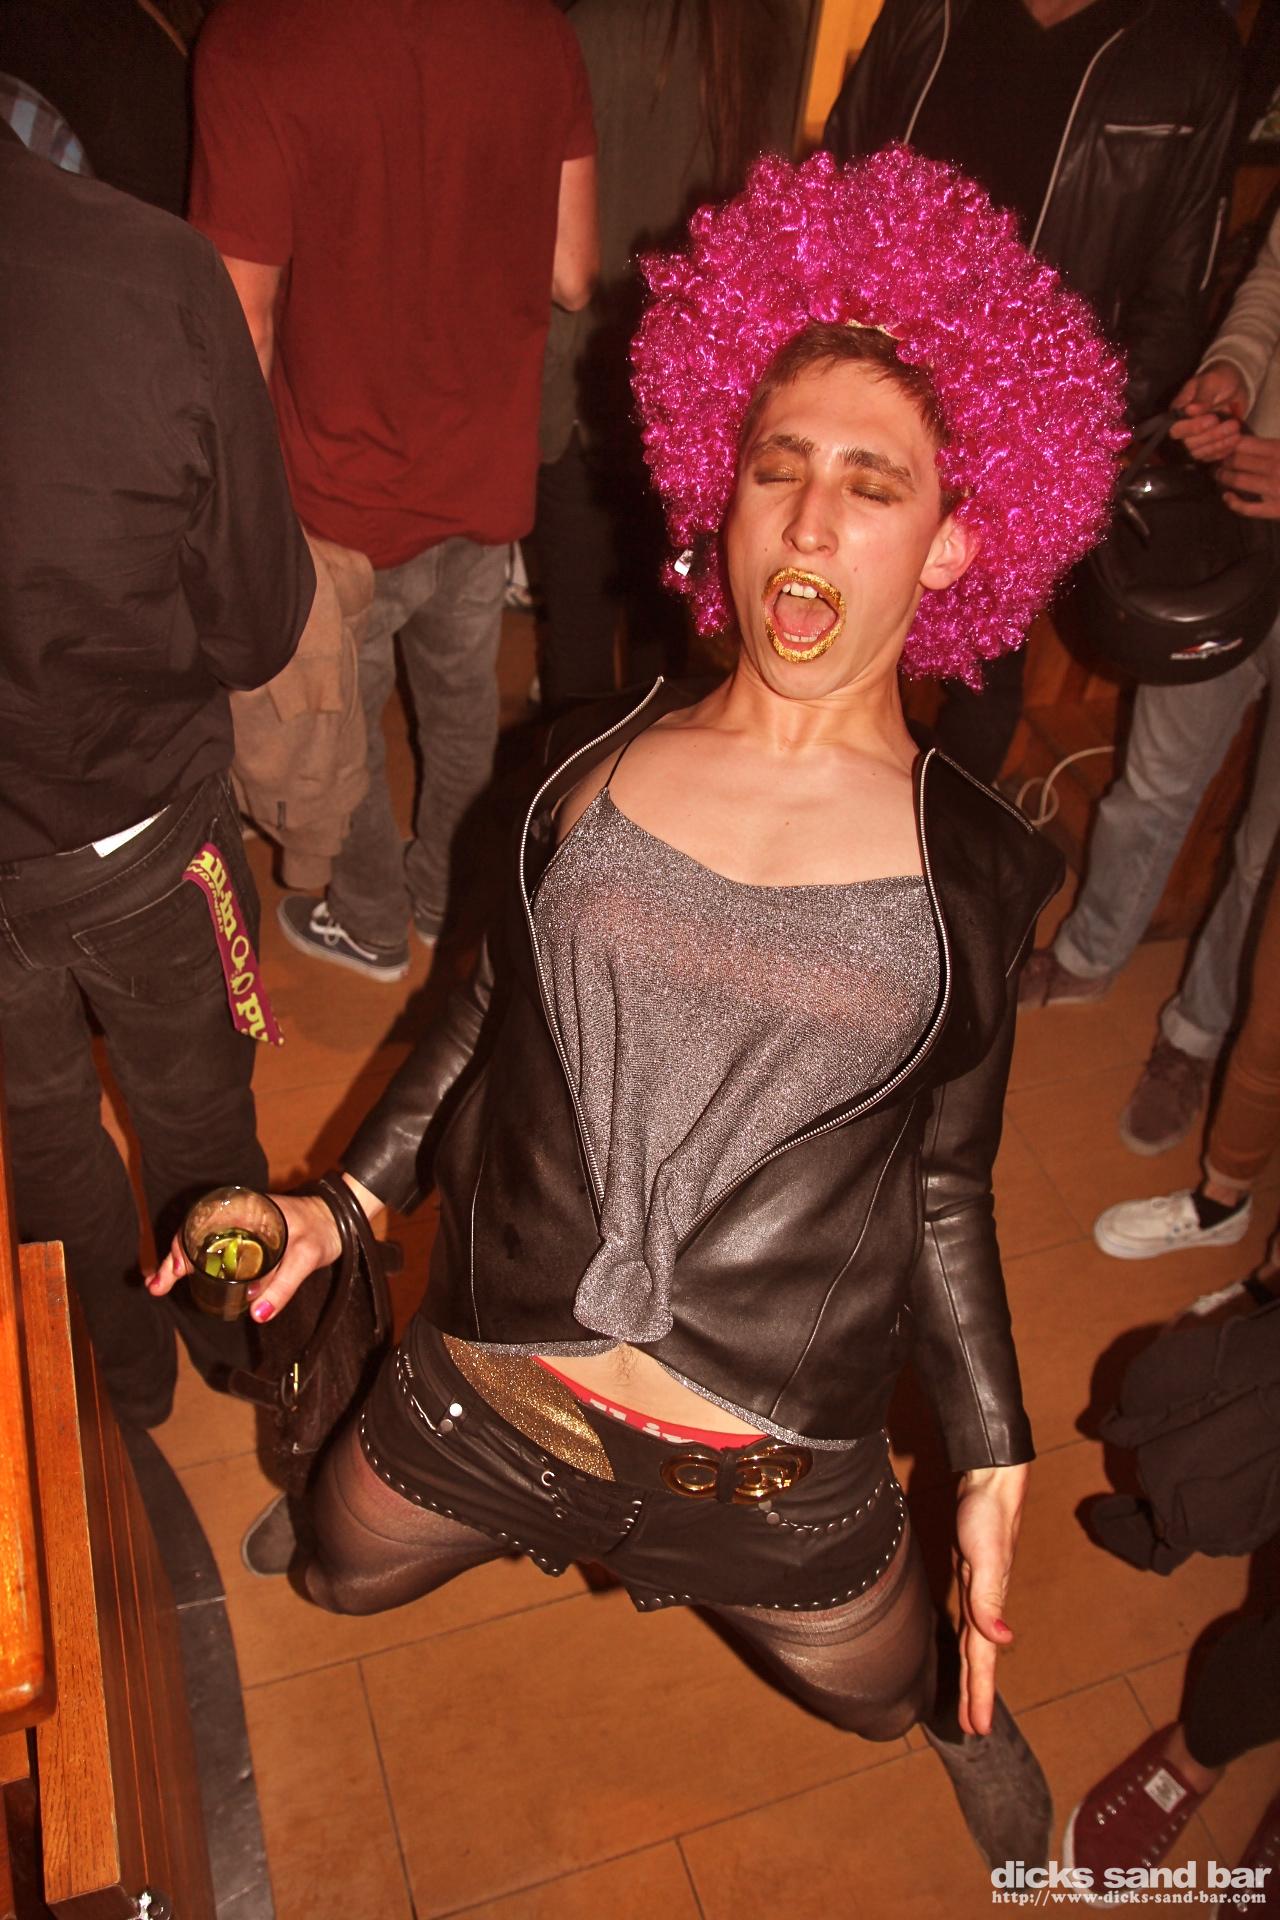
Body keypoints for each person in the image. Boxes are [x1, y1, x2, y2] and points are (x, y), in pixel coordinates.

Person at [150, 147, 1125, 1866]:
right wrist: (342, 1202)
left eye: (873, 485)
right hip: (488, 1396)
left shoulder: (980, 870)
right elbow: (474, 1023)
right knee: (337, 1569)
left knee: (879, 1694)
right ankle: (459, 1516)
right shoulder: (578, 766)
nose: (810, 523)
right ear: (717, 497)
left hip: (777, 1481)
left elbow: (944, 1184)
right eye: (778, 468)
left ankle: (938, 1706)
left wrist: (988, 1453)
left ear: (957, 541)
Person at [0, 126, 314, 1426]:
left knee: (40, 1136)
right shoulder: (147, 271)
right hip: (137, 831)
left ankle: (116, 1393)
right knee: (195, 1121)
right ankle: (244, 1359)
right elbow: (258, 624)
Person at [187, 0, 599, 984]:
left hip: (336, 496)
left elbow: (239, 321)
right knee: (462, 703)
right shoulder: (538, 32)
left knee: (346, 726)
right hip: (484, 465)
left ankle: (368, 917)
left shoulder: (259, 39)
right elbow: (574, 273)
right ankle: (443, 900)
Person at [823, 0, 1241, 786]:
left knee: (983, 668)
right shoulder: (931, 9)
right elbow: (836, 180)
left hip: (1023, 434)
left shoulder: (1189, 44)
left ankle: (936, 843)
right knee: (838, 620)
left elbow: (1176, 287)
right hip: (872, 390)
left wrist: (1069, 444)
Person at [1022, 205, 1280, 1157]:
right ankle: (1089, 956)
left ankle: (1199, 1035)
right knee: (1153, 784)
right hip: (1231, 525)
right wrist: (1234, 372)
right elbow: (1271, 286)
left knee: (1266, 854)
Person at [534, 0, 805, 711]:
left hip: (587, 386)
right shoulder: (765, 32)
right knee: (664, 631)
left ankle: (586, 783)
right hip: (702, 396)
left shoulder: (592, 29)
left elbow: (562, 263)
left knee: (579, 642)